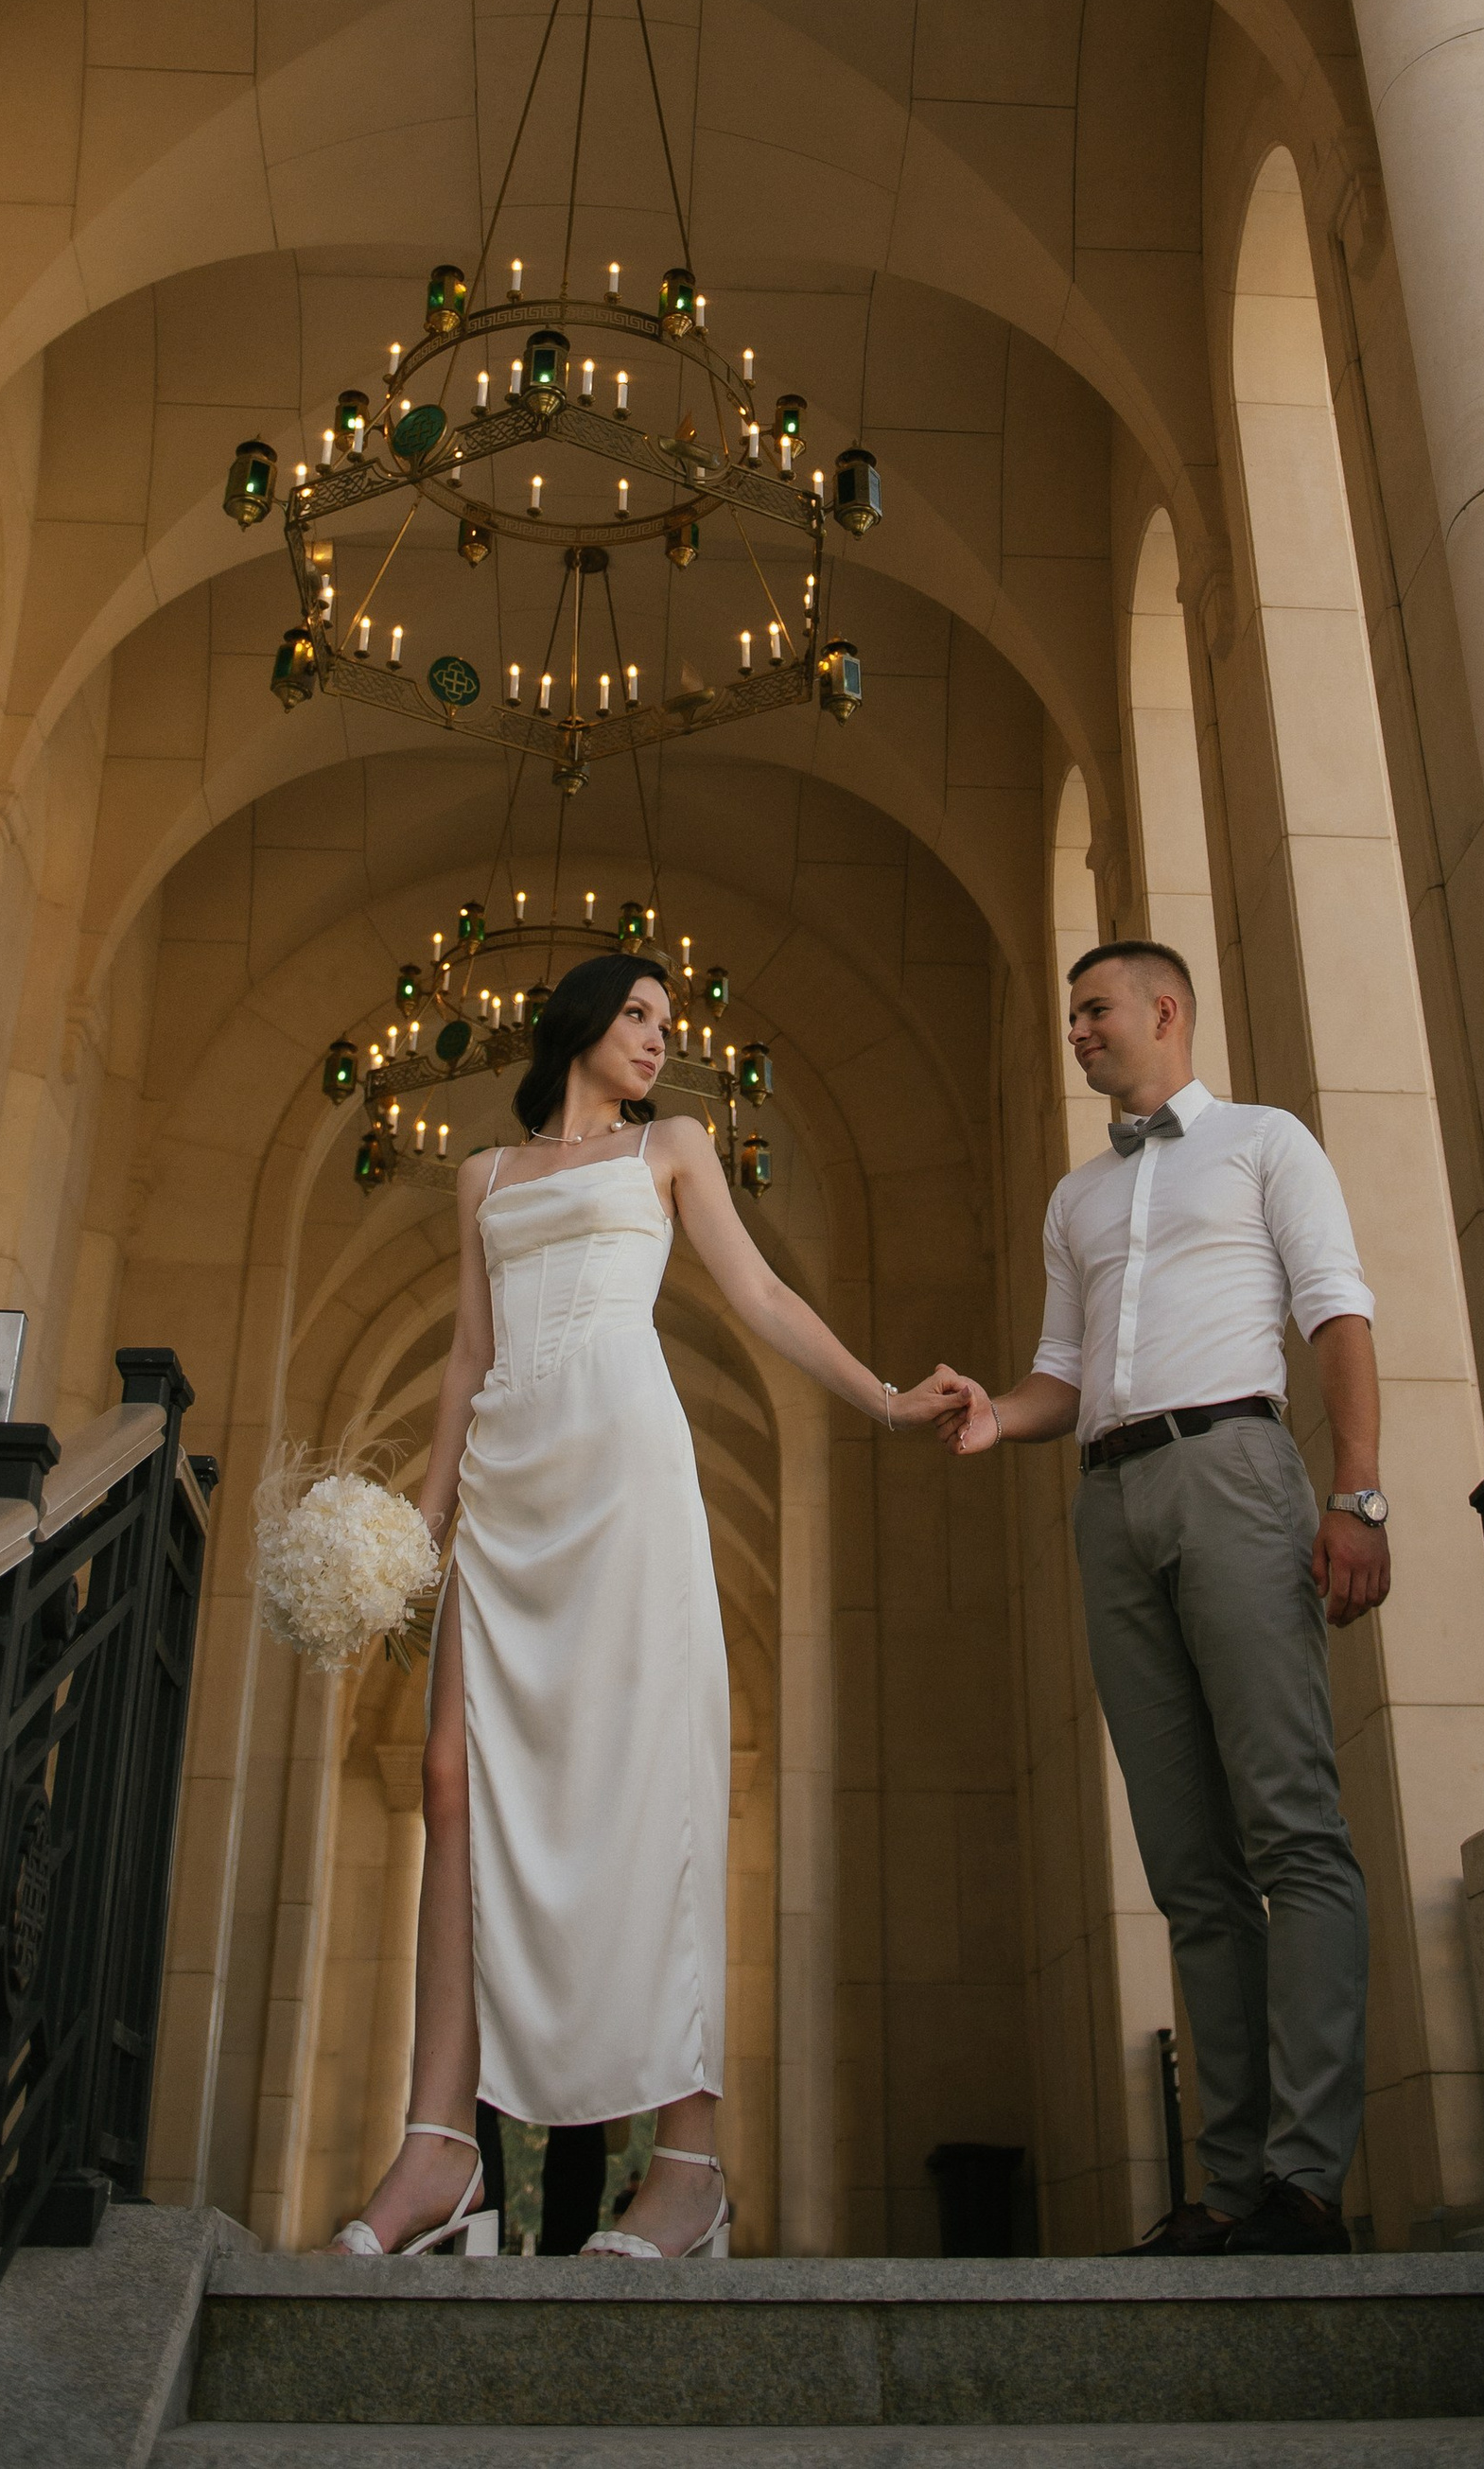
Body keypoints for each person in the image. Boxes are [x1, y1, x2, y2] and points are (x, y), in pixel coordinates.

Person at [333, 948, 957, 2263]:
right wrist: (416, 1529)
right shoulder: (481, 1179)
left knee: (657, 1782)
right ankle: (442, 2148)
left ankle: (689, 2165)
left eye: (670, 1020)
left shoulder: (672, 1147)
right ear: (574, 1025)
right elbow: (466, 1354)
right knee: (449, 1775)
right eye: (637, 1014)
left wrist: (888, 1398)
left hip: (623, 1474)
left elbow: (763, 1294)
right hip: (506, 1490)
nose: (660, 1038)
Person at [936, 940, 1389, 2258]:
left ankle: (1308, 2181)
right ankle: (1231, 2186)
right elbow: (1061, 1374)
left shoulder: (1264, 1143)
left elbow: (1335, 1309)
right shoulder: (1075, 1200)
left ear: (1164, 1011)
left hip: (1238, 1470)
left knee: (1292, 1828)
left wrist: (1355, 1493)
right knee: (1190, 1868)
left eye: (1094, 1010)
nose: (1077, 1031)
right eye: (1070, 1013)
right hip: (1110, 1503)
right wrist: (990, 1419)